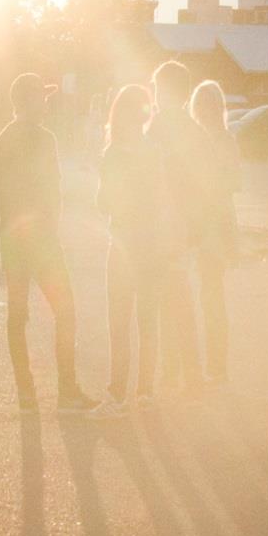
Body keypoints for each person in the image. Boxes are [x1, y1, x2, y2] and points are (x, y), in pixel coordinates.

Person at [0, 73, 96, 414]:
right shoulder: (45, 139)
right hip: (43, 243)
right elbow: (54, 192)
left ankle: (26, 392)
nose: (47, 104)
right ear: (30, 101)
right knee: (65, 311)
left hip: (13, 241)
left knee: (17, 317)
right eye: (43, 98)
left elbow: (0, 195)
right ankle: (67, 391)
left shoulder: (1, 140)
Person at [89, 85, 167, 419]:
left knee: (119, 323)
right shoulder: (152, 150)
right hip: (152, 242)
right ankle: (146, 392)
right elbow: (163, 197)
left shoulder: (114, 153)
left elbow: (104, 202)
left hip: (123, 244)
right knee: (148, 321)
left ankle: (117, 394)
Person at [146, 60, 208, 399]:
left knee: (170, 303)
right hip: (180, 226)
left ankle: (176, 374)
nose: (155, 95)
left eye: (157, 88)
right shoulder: (192, 127)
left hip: (167, 226)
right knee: (178, 301)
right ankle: (188, 373)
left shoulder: (161, 126)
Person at [190, 80, 241, 385]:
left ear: (218, 108)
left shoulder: (226, 141)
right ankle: (190, 367)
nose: (207, 111)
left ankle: (216, 368)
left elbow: (233, 182)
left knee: (212, 298)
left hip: (216, 227)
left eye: (212, 105)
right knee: (185, 298)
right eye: (202, 105)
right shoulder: (190, 141)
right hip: (188, 226)